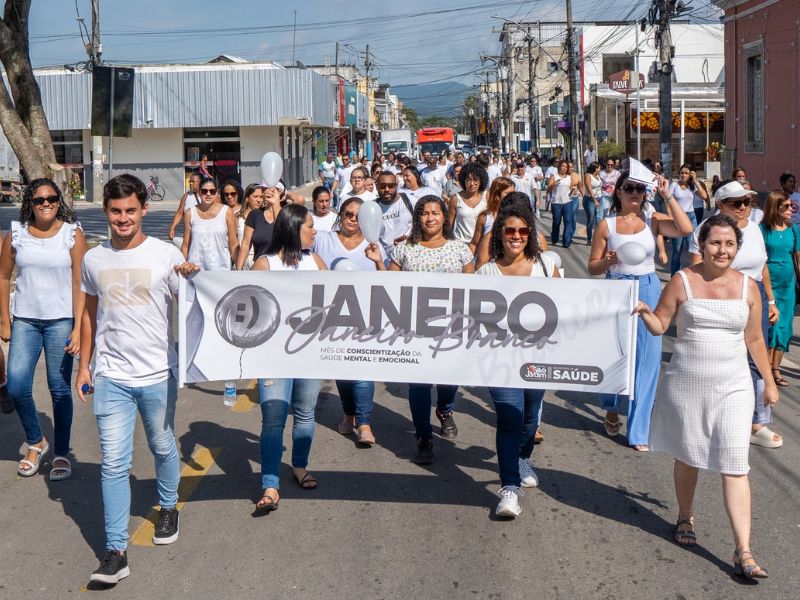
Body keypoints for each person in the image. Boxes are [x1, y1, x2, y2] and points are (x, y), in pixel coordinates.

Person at [636, 214, 777, 580]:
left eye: (730, 244)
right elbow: (660, 325)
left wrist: (769, 382)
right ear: (702, 243)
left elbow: (755, 339)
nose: (723, 250)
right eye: (716, 242)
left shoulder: (749, 286)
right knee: (689, 455)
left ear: (737, 247)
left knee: (735, 462)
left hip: (734, 386)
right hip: (687, 384)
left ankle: (743, 550)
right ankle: (685, 515)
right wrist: (644, 313)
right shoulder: (683, 281)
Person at [76, 174, 200, 585]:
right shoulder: (94, 259)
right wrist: (84, 365)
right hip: (110, 375)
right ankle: (115, 551)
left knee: (163, 444)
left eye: (130, 210)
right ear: (106, 212)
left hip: (156, 372)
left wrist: (191, 276)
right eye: (115, 212)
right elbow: (90, 313)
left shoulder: (165, 255)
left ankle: (168, 507)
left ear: (143, 209)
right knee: (113, 462)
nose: (123, 219)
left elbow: (195, 307)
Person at [588, 170, 693, 451]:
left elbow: (686, 229)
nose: (634, 192)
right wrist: (608, 261)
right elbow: (592, 266)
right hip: (617, 289)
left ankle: (638, 432)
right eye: (628, 188)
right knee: (615, 354)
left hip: (647, 288)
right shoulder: (606, 226)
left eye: (639, 188)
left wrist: (668, 197)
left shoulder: (653, 220)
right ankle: (611, 407)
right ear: (618, 192)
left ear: (645, 193)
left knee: (648, 359)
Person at [0, 179, 87, 479]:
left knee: (59, 389)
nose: (46, 203)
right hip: (25, 319)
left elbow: (81, 284)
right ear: (30, 203)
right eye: (39, 200)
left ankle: (61, 452)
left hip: (61, 320)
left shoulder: (72, 234)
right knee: (17, 386)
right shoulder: (16, 234)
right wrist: (4, 319)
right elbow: (2, 277)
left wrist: (78, 328)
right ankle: (36, 441)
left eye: (51, 198)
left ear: (58, 200)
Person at [476, 204, 558, 518]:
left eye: (523, 231)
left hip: (538, 357)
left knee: (529, 418)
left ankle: (524, 457)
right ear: (500, 234)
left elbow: (569, 307)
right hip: (500, 360)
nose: (516, 236)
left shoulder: (546, 265)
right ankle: (509, 487)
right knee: (509, 418)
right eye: (510, 230)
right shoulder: (486, 271)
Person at [689, 180, 782, 449]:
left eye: (746, 202)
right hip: (722, 298)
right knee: (719, 359)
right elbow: (696, 272)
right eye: (736, 203)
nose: (743, 207)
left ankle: (756, 423)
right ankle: (712, 414)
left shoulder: (753, 229)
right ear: (720, 205)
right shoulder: (704, 231)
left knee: (756, 357)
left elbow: (762, 267)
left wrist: (771, 301)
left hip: (755, 298)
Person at [250, 204, 326, 514]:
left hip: (309, 355)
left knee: (305, 416)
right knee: (273, 422)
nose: (315, 231)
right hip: (274, 358)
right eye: (309, 226)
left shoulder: (316, 262)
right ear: (294, 229)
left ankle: (299, 465)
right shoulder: (264, 265)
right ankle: (270, 484)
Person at [388, 195, 474, 464]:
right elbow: (388, 287)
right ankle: (423, 436)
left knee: (449, 380)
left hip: (452, 328)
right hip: (415, 329)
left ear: (444, 217)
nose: (430, 218)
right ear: (417, 218)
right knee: (420, 385)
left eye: (435, 212)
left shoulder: (460, 249)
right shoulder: (404, 250)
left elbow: (473, 288)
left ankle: (445, 410)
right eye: (424, 213)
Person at [314, 197, 386, 445]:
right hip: (331, 318)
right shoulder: (323, 239)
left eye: (358, 215)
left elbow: (388, 283)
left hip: (364, 317)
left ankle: (364, 424)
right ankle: (348, 414)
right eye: (348, 214)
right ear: (340, 216)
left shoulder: (373, 244)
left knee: (363, 369)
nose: (353, 219)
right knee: (342, 372)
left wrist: (377, 260)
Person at [758, 192, 799, 387]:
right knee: (770, 326)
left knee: (785, 327)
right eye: (787, 207)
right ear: (775, 208)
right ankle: (765, 370)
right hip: (768, 283)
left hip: (788, 285)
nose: (791, 210)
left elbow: (798, 257)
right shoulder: (762, 230)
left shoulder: (793, 230)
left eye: (791, 206)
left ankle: (777, 369)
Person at [181, 177, 238, 271]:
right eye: (204, 191)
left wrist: (239, 268)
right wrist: (183, 265)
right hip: (195, 270)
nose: (208, 194)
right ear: (199, 193)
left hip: (220, 269)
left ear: (217, 193)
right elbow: (186, 244)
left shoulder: (227, 212)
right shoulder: (190, 213)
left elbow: (234, 243)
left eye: (212, 191)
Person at [668, 164, 708, 275]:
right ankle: (674, 276)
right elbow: (668, 201)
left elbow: (704, 196)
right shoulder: (674, 185)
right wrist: (670, 216)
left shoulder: (692, 186)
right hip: (678, 218)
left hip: (691, 217)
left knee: (694, 247)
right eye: (682, 173)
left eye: (686, 173)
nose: (683, 175)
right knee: (677, 250)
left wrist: (695, 181)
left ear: (690, 174)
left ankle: (694, 275)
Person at [236, 185, 283, 270]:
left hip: (281, 268)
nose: (269, 191)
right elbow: (245, 244)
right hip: (259, 268)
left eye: (274, 189)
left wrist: (276, 204)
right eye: (265, 189)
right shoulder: (255, 214)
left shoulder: (288, 213)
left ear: (280, 191)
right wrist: (239, 269)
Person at [374, 172, 416, 263]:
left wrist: (410, 238)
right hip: (384, 260)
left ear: (396, 186)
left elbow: (423, 226)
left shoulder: (411, 201)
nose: (387, 189)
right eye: (382, 186)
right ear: (376, 186)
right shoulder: (372, 208)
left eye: (391, 186)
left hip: (410, 256)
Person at [470, 176, 515, 255]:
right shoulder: (485, 217)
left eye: (513, 193)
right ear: (497, 195)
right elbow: (474, 244)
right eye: (507, 193)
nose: (512, 197)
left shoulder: (517, 216)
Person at [448, 163, 488, 244]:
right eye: (468, 180)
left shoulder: (487, 196)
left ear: (481, 181)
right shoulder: (455, 199)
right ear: (463, 180)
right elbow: (449, 225)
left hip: (482, 244)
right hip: (461, 245)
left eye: (475, 179)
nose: (471, 183)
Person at [547, 160, 576, 247]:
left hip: (567, 202)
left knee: (568, 222)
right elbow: (548, 190)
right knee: (556, 222)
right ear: (559, 166)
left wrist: (572, 191)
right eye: (563, 166)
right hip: (556, 202)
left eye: (566, 167)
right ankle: (554, 238)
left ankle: (566, 242)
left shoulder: (569, 178)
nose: (564, 168)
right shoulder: (554, 176)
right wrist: (553, 184)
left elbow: (571, 189)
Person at [168, 172, 202, 240]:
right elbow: (179, 213)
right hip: (189, 234)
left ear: (201, 182)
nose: (190, 183)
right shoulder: (186, 196)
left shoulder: (208, 196)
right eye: (190, 181)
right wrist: (172, 227)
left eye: (193, 181)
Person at [583, 162, 602, 244]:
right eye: (599, 168)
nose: (600, 169)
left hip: (599, 198)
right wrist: (594, 200)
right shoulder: (588, 176)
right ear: (595, 168)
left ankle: (598, 237)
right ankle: (589, 238)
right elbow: (589, 189)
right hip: (590, 199)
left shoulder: (598, 176)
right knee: (590, 219)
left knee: (599, 219)